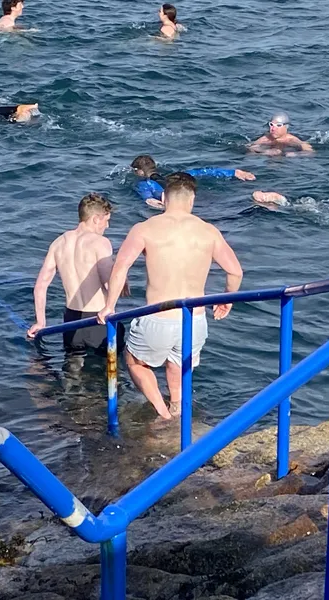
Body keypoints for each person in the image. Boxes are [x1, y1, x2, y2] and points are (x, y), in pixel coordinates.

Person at [97, 173, 243, 420]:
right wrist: (226, 298)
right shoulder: (208, 231)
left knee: (133, 361)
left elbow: (120, 267)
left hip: (159, 316)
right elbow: (235, 271)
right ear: (192, 200)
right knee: (177, 365)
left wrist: (109, 306)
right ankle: (177, 409)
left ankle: (162, 413)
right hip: (194, 320)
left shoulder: (144, 229)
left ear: (163, 197)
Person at [27, 193, 126, 352]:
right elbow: (109, 281)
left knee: (72, 371)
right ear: (96, 219)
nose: (107, 226)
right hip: (98, 319)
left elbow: (40, 286)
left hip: (71, 322)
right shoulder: (100, 243)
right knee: (108, 373)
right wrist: (118, 285)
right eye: (106, 221)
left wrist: (40, 322)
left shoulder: (58, 243)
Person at [131, 154, 256, 209]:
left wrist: (166, 208)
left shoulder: (144, 185)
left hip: (177, 204)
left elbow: (150, 200)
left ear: (140, 172)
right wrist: (235, 172)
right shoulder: (177, 176)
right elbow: (204, 171)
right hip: (197, 197)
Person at [248, 112, 314, 156]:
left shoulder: (292, 140)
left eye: (278, 125)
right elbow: (250, 149)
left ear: (286, 127)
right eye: (271, 125)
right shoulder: (265, 139)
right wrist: (265, 152)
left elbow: (310, 152)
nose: (273, 128)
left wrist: (294, 154)